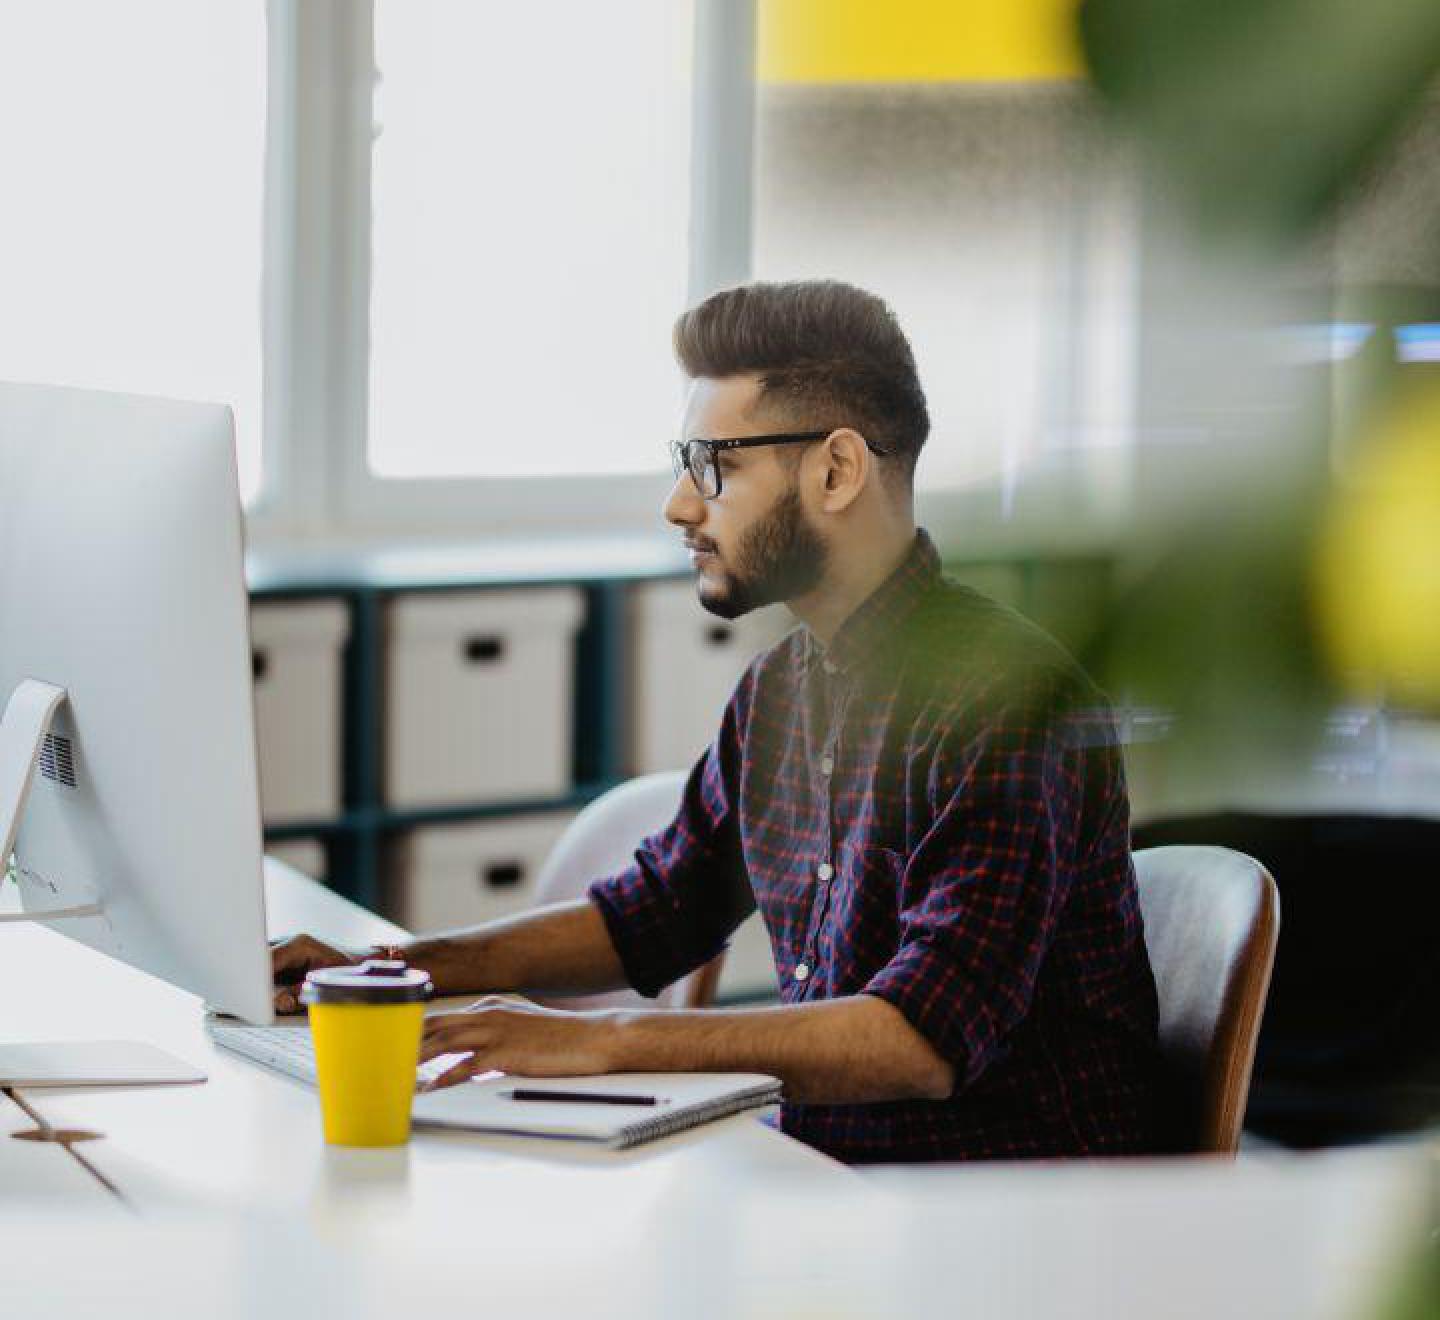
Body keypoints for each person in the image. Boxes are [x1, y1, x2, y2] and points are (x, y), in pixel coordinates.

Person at [272, 280, 1160, 1162]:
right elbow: (656, 913)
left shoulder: (1008, 702)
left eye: (716, 467)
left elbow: (922, 1039)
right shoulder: (781, 689)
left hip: (1008, 1215)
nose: (679, 505)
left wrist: (603, 1042)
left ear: (837, 471)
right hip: (828, 1181)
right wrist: (392, 970)